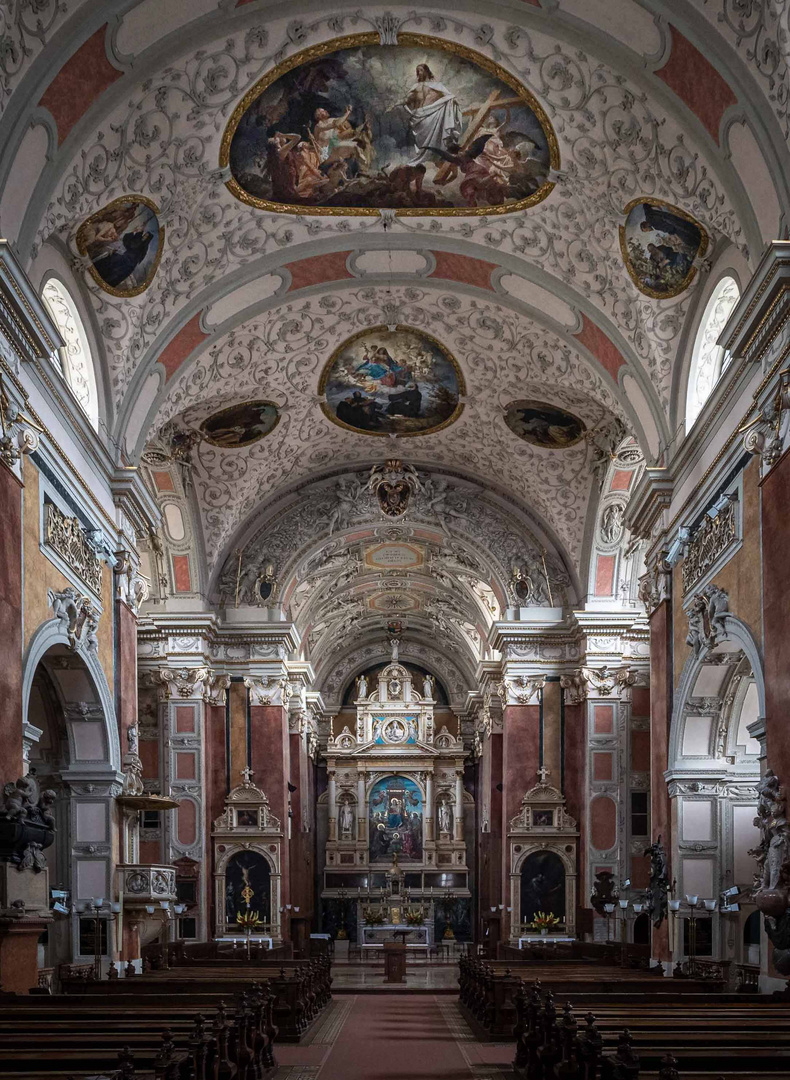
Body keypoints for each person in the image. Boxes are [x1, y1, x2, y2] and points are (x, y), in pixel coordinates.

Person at [403, 63, 462, 166]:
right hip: (420, 116)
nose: (419, 73)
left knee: (438, 139)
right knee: (422, 142)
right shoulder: (416, 87)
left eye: (421, 70)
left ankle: (439, 156)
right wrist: (410, 112)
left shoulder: (437, 86)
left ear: (426, 71)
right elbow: (407, 101)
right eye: (418, 71)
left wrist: (453, 101)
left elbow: (449, 97)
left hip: (434, 114)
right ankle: (425, 157)